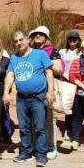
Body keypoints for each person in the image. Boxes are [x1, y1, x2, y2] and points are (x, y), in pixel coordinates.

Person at [3, 31, 55, 167]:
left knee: (40, 128)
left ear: (28, 40)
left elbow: (49, 73)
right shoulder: (14, 58)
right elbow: (10, 76)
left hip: (38, 97)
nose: (18, 43)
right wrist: (6, 93)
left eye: (21, 40)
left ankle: (41, 155)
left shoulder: (40, 54)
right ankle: (26, 152)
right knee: (24, 127)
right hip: (22, 98)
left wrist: (50, 92)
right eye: (16, 41)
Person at [30, 26, 63, 160]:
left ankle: (51, 147)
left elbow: (59, 69)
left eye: (41, 34)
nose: (38, 36)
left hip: (47, 89)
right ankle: (36, 146)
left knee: (48, 120)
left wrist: (44, 61)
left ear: (46, 38)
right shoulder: (30, 51)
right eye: (35, 34)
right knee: (33, 119)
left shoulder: (53, 52)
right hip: (32, 90)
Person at [59, 31, 81, 141]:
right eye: (70, 39)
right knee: (68, 106)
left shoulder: (81, 53)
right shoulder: (63, 52)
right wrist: (64, 75)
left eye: (75, 39)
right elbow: (60, 65)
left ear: (78, 40)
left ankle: (75, 131)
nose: (72, 41)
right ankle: (68, 130)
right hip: (66, 82)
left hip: (77, 82)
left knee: (77, 107)